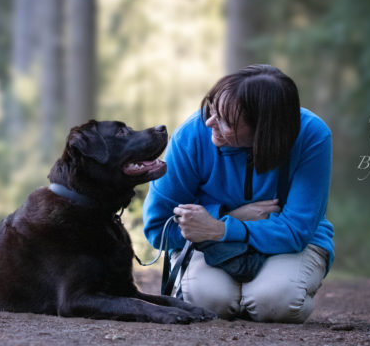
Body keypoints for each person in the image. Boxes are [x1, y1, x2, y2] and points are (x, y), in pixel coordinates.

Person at [142, 64, 334, 323]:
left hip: (289, 247)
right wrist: (226, 217)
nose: (209, 122)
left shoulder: (312, 136)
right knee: (209, 301)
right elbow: (158, 229)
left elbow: (296, 230)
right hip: (207, 246)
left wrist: (221, 228)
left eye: (225, 121)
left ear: (263, 130)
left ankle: (257, 295)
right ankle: (237, 297)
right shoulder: (191, 135)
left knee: (276, 302)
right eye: (211, 108)